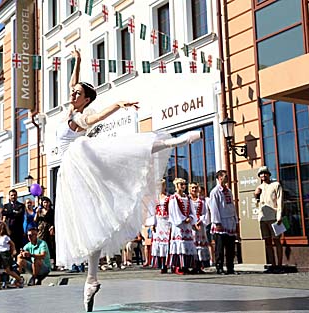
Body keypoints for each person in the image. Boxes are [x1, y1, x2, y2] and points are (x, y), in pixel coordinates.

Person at [55, 47, 202, 312]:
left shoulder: (79, 116)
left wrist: (117, 105)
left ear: (86, 99)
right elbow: (71, 83)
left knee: (130, 149)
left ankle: (175, 140)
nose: (73, 93)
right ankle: (91, 279)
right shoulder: (70, 107)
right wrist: (77, 61)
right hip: (72, 171)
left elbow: (95, 117)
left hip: (78, 160)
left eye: (78, 93)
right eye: (73, 92)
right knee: (91, 223)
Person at [254, 166, 284, 274]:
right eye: (261, 174)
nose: (263, 175)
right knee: (267, 242)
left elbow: (280, 201)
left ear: (269, 174)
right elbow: (257, 205)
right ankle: (272, 264)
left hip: (274, 217)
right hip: (263, 218)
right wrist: (256, 195)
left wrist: (279, 215)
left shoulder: (276, 185)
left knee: (277, 241)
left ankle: (280, 265)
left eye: (265, 173)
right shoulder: (259, 187)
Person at [209, 170, 238, 275]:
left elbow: (232, 205)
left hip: (230, 221)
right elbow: (214, 208)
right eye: (225, 176)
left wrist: (235, 219)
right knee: (220, 248)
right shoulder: (215, 192)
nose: (227, 178)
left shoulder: (228, 190)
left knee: (230, 247)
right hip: (221, 221)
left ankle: (230, 267)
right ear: (220, 178)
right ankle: (219, 267)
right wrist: (217, 222)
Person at [168, 178, 197, 275]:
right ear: (176, 186)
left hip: (187, 225)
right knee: (179, 244)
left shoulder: (187, 198)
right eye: (181, 184)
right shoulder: (173, 198)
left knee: (187, 244)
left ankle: (186, 266)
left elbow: (192, 210)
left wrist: (191, 217)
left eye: (184, 184)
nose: (183, 186)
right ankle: (178, 266)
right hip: (179, 226)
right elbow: (174, 212)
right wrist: (183, 219)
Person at [0, 222, 22, 291]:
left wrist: (13, 251)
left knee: (7, 270)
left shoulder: (6, 237)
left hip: (5, 254)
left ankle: (19, 279)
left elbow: (12, 244)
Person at [189, 182, 211, 274]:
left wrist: (200, 220)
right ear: (189, 189)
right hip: (191, 225)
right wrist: (193, 222)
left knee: (200, 245)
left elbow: (205, 213)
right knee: (192, 245)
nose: (194, 190)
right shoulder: (187, 200)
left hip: (200, 225)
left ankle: (200, 266)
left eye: (195, 188)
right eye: (192, 188)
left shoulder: (201, 201)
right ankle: (192, 265)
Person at [152, 179, 170, 273]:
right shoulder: (156, 198)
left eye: (162, 186)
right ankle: (162, 264)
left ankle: (167, 263)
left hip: (167, 221)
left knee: (167, 243)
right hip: (159, 221)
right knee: (159, 243)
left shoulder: (168, 197)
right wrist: (153, 223)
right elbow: (153, 212)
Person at [35, 196, 55, 267]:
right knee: (41, 244)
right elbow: (35, 220)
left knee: (50, 245)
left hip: (49, 229)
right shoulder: (40, 210)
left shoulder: (52, 211)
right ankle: (41, 261)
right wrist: (37, 213)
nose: (46, 204)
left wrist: (53, 226)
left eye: (47, 202)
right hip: (41, 229)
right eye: (44, 202)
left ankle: (52, 262)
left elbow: (54, 220)